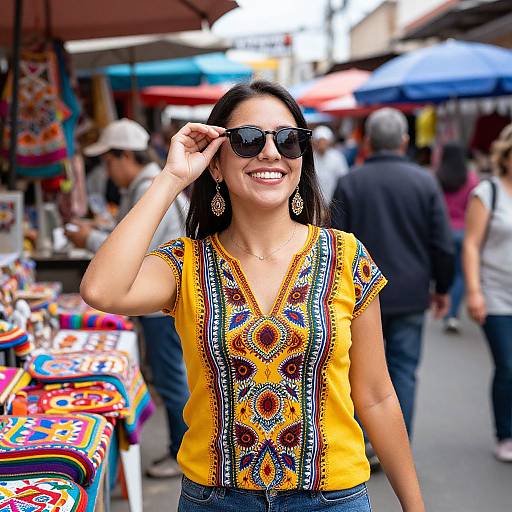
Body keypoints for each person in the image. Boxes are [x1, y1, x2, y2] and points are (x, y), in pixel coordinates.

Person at [80, 81, 425, 511]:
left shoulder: (345, 256)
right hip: (215, 501)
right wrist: (171, 179)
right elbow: (101, 289)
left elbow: (375, 395)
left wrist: (415, 506)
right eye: (246, 140)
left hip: (332, 501)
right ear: (217, 165)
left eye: (287, 139)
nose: (270, 153)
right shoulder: (186, 264)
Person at [66, 118, 190, 478]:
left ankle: (180, 452)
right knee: (171, 376)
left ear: (124, 157)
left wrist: (89, 239)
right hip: (159, 300)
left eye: (108, 161)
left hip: (159, 304)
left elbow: (136, 256)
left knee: (171, 378)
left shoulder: (152, 185)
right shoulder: (144, 185)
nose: (107, 170)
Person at [331, 108, 454, 438]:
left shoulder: (349, 183)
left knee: (357, 372)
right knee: (403, 371)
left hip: (357, 296)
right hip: (411, 293)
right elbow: (442, 244)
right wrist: (443, 289)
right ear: (405, 141)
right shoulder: (424, 182)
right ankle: (397, 445)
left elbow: (333, 244)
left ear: (367, 142)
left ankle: (361, 442)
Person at [463, 124, 512, 463]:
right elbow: (471, 244)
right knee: (508, 365)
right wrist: (474, 291)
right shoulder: (488, 193)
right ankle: (506, 433)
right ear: (506, 157)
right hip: (496, 294)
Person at [436, 143, 479, 333]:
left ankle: (443, 299)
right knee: (461, 275)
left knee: (446, 271)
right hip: (464, 231)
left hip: (443, 232)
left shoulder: (437, 177)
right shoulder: (471, 179)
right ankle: (452, 314)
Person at [312, 125, 349, 203]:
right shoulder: (311, 158)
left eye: (324, 141)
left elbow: (343, 177)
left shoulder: (337, 157)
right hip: (315, 202)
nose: (322, 144)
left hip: (334, 202)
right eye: (319, 141)